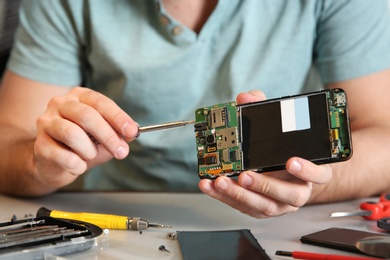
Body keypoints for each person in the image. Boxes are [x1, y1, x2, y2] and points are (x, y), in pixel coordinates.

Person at [0, 0, 390, 219]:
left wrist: (300, 178)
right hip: (119, 218)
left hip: (286, 226)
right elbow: (7, 141)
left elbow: (385, 136)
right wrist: (41, 164)